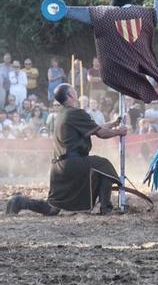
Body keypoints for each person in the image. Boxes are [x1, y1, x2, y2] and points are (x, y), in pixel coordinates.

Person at [5, 84, 126, 216]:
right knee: (104, 164)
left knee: (52, 209)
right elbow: (101, 133)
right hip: (71, 164)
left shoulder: (63, 114)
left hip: (58, 167)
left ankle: (20, 202)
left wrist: (113, 124)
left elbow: (96, 128)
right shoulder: (75, 113)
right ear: (70, 95)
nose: (76, 92)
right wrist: (120, 132)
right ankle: (105, 208)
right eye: (74, 90)